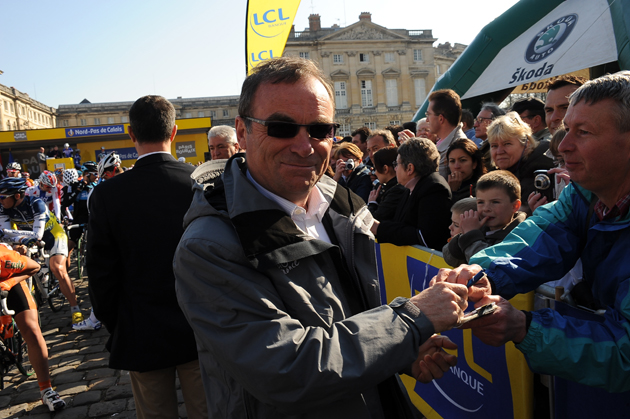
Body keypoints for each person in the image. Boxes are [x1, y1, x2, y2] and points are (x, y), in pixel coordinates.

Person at [174, 56, 467, 419]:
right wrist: (410, 320)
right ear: (243, 131)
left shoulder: (341, 204)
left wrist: (401, 351)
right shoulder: (209, 245)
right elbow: (288, 370)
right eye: (281, 127)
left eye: (319, 129)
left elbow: (348, 318)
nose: (304, 145)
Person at [433, 71, 630, 392]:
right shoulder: (585, 193)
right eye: (567, 129)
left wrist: (524, 327)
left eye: (583, 132)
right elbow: (544, 237)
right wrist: (482, 273)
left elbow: (625, 355)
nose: (563, 146)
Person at [87, 95, 207, 418]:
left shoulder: (107, 195)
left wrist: (119, 323)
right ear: (175, 132)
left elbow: (99, 275)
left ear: (131, 134)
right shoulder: (200, 185)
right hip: (200, 326)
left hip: (142, 331)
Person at [0, 193, 66, 411]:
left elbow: (34, 267)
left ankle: (46, 389)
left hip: (7, 278)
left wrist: (8, 285)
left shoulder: (3, 257)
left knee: (30, 327)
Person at [0, 177, 82, 327]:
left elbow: (37, 235)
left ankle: (75, 308)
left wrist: (14, 236)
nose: (0, 201)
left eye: (2, 197)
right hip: (25, 238)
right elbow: (5, 235)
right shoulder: (3, 208)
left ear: (17, 195)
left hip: (52, 235)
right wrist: (17, 239)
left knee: (57, 268)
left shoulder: (36, 203)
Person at [371, 137, 452, 249]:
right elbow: (402, 223)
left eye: (396, 164)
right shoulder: (412, 187)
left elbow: (425, 237)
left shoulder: (434, 189)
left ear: (410, 168)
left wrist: (379, 228)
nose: (395, 169)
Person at [442, 170, 527, 267]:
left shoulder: (520, 236)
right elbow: (450, 258)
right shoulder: (480, 228)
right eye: (481, 202)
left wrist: (470, 236)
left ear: (515, 206)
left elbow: (488, 266)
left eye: (495, 202)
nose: (486, 209)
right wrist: (463, 235)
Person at [487, 112, 554, 214]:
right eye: (494, 146)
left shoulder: (538, 177)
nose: (499, 151)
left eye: (507, 144)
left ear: (526, 144)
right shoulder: (496, 176)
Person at [425, 89, 467, 179]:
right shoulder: (446, 141)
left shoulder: (457, 146)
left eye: (428, 115)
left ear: (441, 118)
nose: (427, 120)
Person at [367, 146, 406, 221]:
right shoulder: (392, 187)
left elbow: (374, 220)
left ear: (385, 169)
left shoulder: (396, 191)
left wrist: (372, 203)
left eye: (376, 168)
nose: (375, 173)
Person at [446, 138, 486, 203]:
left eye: (463, 160)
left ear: (474, 164)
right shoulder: (443, 186)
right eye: (452, 161)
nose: (456, 166)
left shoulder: (482, 189)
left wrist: (453, 192)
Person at [474, 103, 506, 172]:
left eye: (480, 120)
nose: (475, 124)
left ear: (495, 121)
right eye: (476, 120)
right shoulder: (485, 147)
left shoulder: (494, 151)